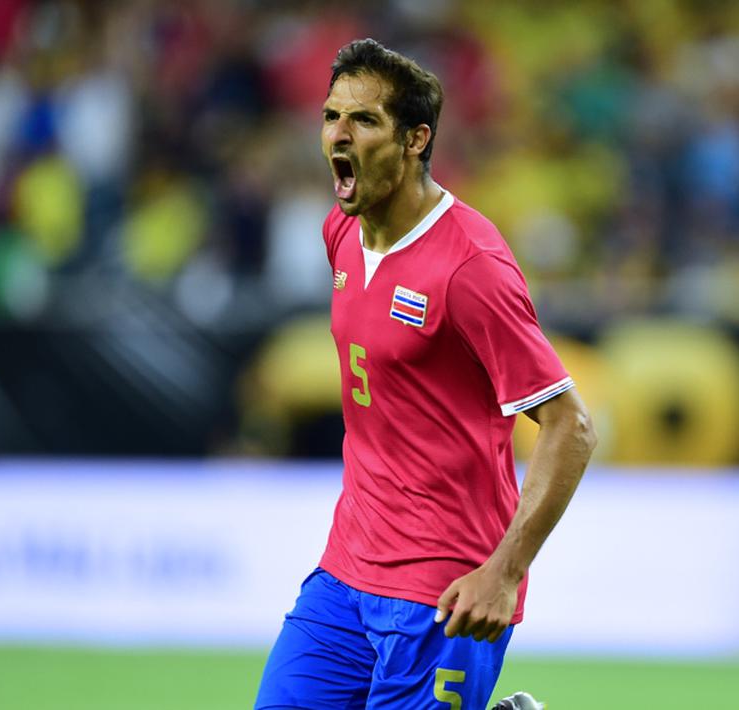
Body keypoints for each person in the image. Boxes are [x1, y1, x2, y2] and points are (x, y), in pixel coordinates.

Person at [255, 38, 596, 710]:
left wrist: (504, 573)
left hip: (444, 589)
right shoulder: (341, 233)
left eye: (365, 121)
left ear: (415, 140)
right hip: (344, 573)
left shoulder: (470, 268)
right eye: (331, 117)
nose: (338, 135)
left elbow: (569, 425)